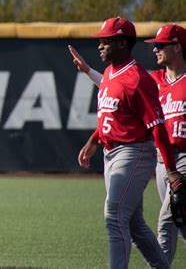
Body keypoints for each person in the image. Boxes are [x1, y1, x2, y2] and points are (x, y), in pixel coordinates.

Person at [71, 17, 184, 269]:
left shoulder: (138, 79)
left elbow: (157, 128)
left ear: (122, 43)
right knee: (134, 224)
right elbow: (112, 116)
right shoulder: (111, 72)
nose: (100, 46)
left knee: (114, 216)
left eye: (106, 41)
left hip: (134, 153)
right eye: (100, 41)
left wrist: (170, 169)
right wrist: (93, 140)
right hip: (111, 153)